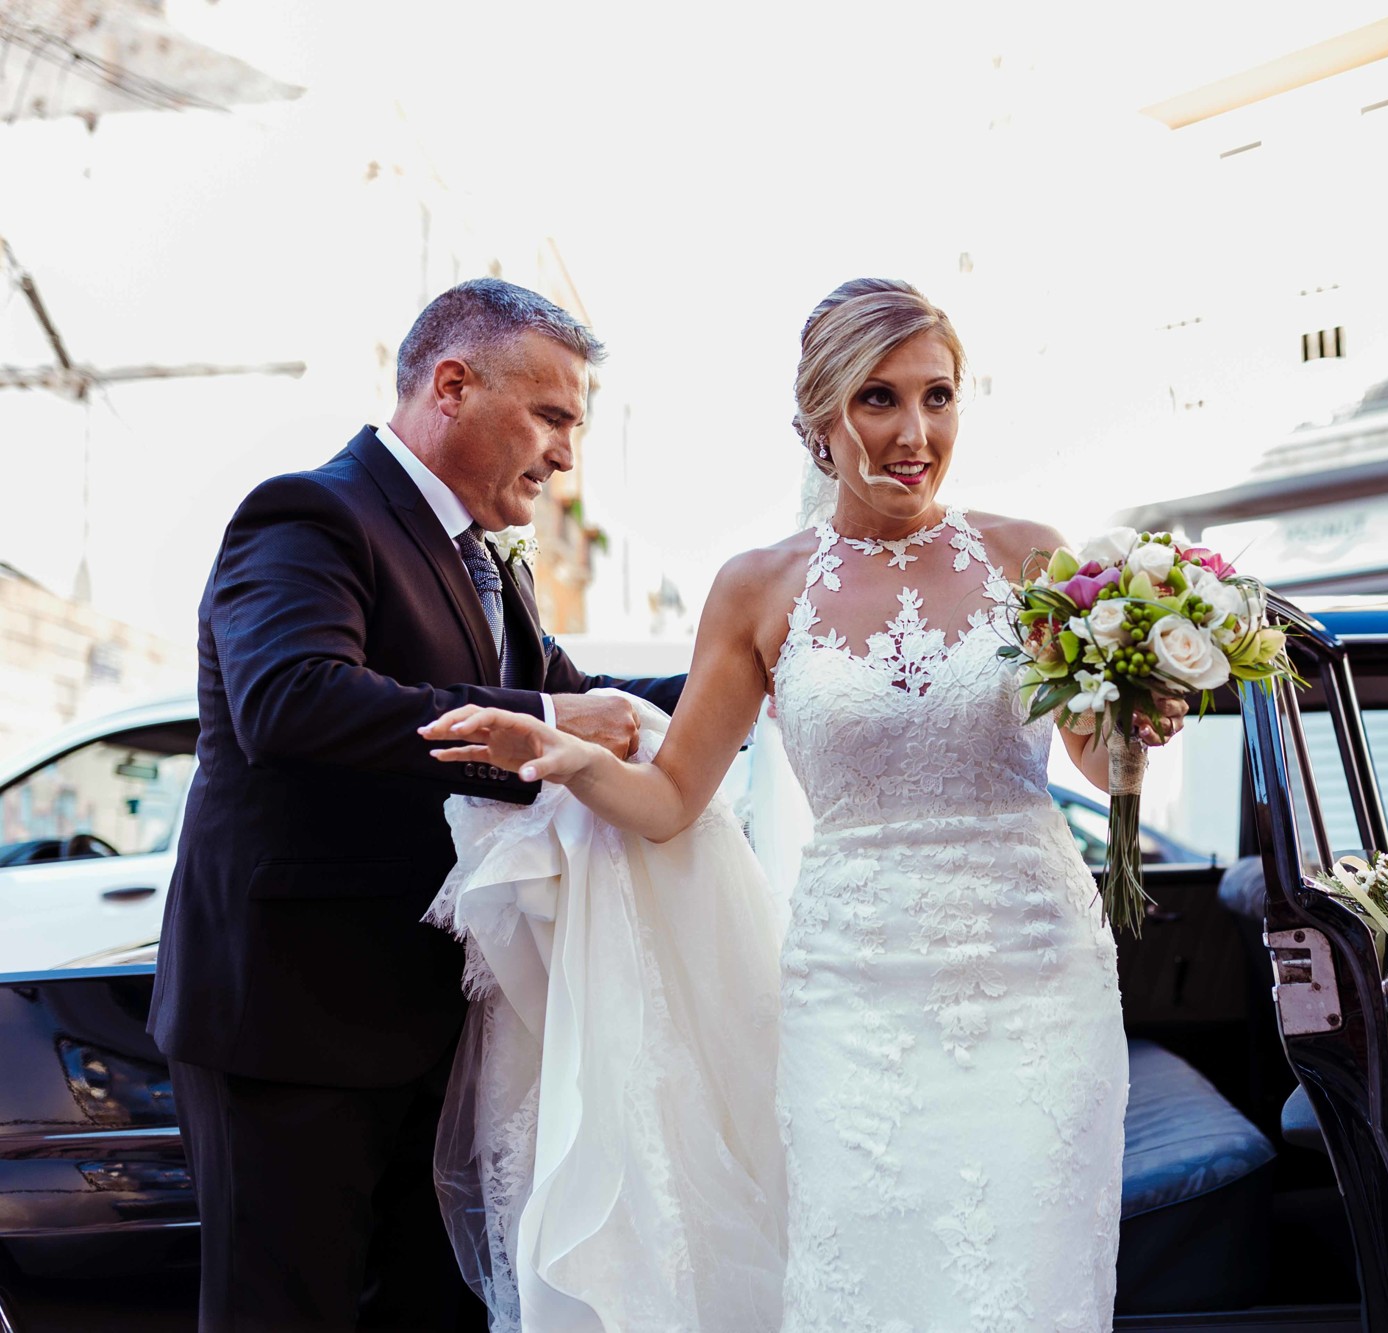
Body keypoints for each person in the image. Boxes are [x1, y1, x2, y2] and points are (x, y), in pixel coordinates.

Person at [422, 277, 1185, 1330]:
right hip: (853, 986)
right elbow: (669, 798)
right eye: (879, 399)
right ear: (818, 419)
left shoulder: (1029, 557)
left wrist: (1140, 717)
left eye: (938, 396)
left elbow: (1099, 765)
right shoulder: (757, 587)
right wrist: (554, 754)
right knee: (863, 1274)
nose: (915, 432)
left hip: (1035, 969)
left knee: (1027, 1274)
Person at [148, 278, 686, 1333]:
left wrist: (757, 670)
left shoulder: (488, 565)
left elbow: (605, 708)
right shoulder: (308, 513)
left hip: (429, 1029)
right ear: (451, 385)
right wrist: (544, 719)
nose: (568, 454)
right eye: (553, 415)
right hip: (289, 1025)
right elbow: (292, 700)